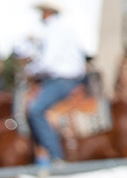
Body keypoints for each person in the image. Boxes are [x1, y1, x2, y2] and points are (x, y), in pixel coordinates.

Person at [20, 1, 85, 165]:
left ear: (48, 12)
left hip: (62, 79)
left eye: (42, 11)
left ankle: (56, 156)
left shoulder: (54, 30)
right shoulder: (60, 29)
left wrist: (29, 71)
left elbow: (47, 62)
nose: (41, 15)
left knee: (35, 110)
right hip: (64, 78)